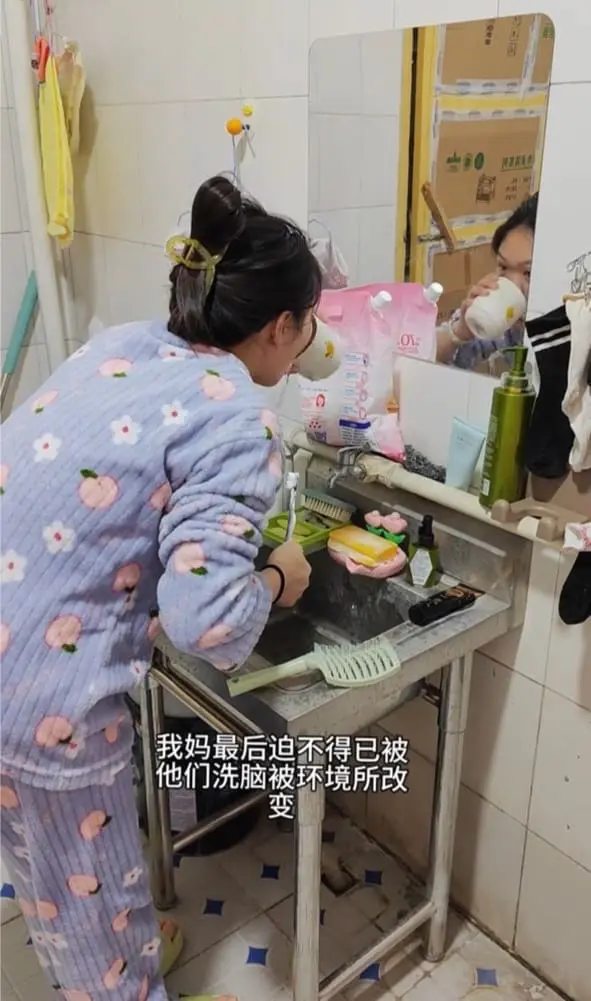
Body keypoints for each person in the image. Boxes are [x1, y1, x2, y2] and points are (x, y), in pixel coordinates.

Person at [0, 175, 319, 1001]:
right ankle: (116, 980)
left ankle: (101, 954)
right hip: (47, 703)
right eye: (309, 323)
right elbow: (206, 623)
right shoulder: (232, 413)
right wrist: (279, 578)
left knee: (51, 876)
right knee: (91, 909)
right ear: (281, 327)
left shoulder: (124, 346)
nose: (312, 340)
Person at [436, 192, 538, 373]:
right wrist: (461, 331)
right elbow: (425, 360)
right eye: (503, 267)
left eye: (528, 273)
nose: (512, 283)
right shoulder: (506, 325)